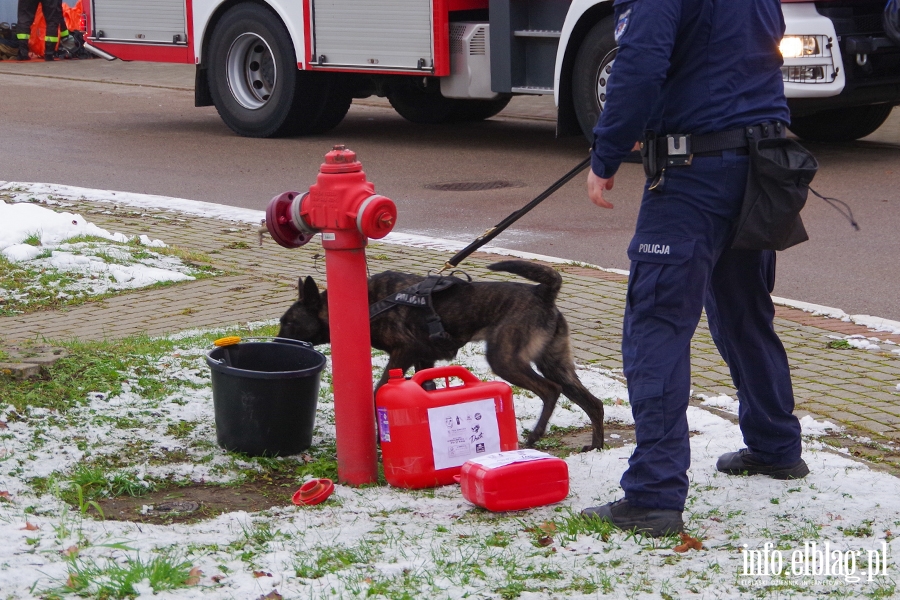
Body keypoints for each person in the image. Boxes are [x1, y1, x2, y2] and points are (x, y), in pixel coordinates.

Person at [582, 0, 809, 537]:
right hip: (761, 167)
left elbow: (638, 63)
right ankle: (774, 445)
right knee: (744, 313)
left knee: (655, 326)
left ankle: (653, 495)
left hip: (692, 176)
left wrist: (607, 151)